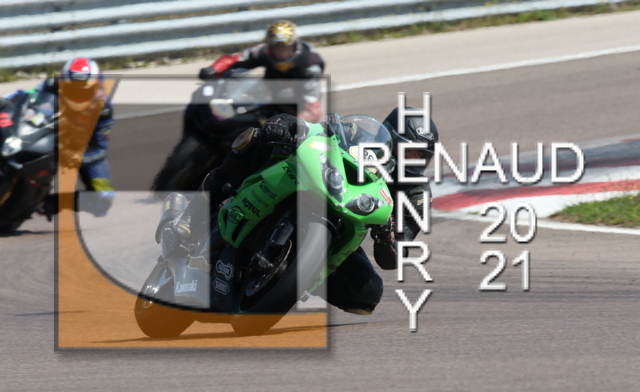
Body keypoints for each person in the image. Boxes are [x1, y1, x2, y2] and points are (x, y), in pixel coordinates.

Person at [161, 107, 438, 315]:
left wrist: (391, 239)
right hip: (315, 180)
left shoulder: (417, 194)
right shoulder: (361, 135)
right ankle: (192, 213)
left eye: (421, 156)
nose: (413, 161)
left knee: (366, 294)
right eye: (409, 152)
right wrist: (286, 123)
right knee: (257, 139)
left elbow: (393, 253)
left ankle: (292, 273)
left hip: (344, 222)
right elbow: (321, 131)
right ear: (392, 139)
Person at [2, 57, 115, 219]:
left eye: (84, 88)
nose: (78, 93)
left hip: (77, 148)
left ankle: (53, 202)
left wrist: (75, 156)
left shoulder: (103, 109)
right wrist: (6, 100)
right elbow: (26, 95)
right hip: (45, 130)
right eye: (73, 87)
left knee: (104, 197)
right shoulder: (52, 84)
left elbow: (99, 146)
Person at [198, 20, 325, 122]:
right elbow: (236, 59)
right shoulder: (263, 51)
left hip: (297, 106)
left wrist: (295, 125)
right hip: (270, 96)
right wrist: (214, 69)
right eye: (276, 47)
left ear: (294, 45)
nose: (280, 52)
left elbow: (312, 106)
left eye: (284, 47)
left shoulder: (310, 66)